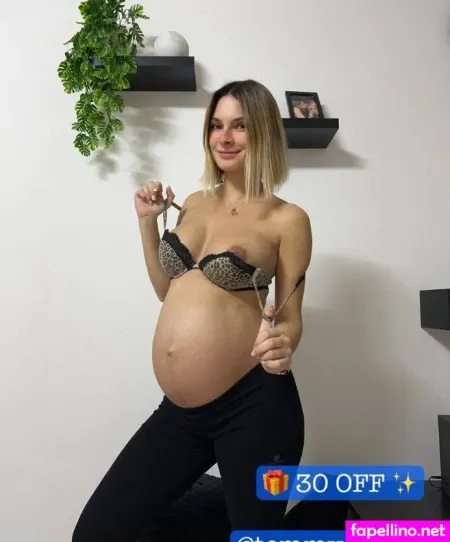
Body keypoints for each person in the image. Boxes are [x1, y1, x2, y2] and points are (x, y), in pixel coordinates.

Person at [72, 79, 313, 541]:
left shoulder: (288, 219)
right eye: (216, 126)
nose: (224, 138)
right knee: (97, 531)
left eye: (240, 126)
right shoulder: (196, 204)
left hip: (254, 406)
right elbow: (167, 290)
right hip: (181, 413)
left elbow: (290, 314)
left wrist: (284, 343)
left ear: (263, 132)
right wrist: (148, 223)